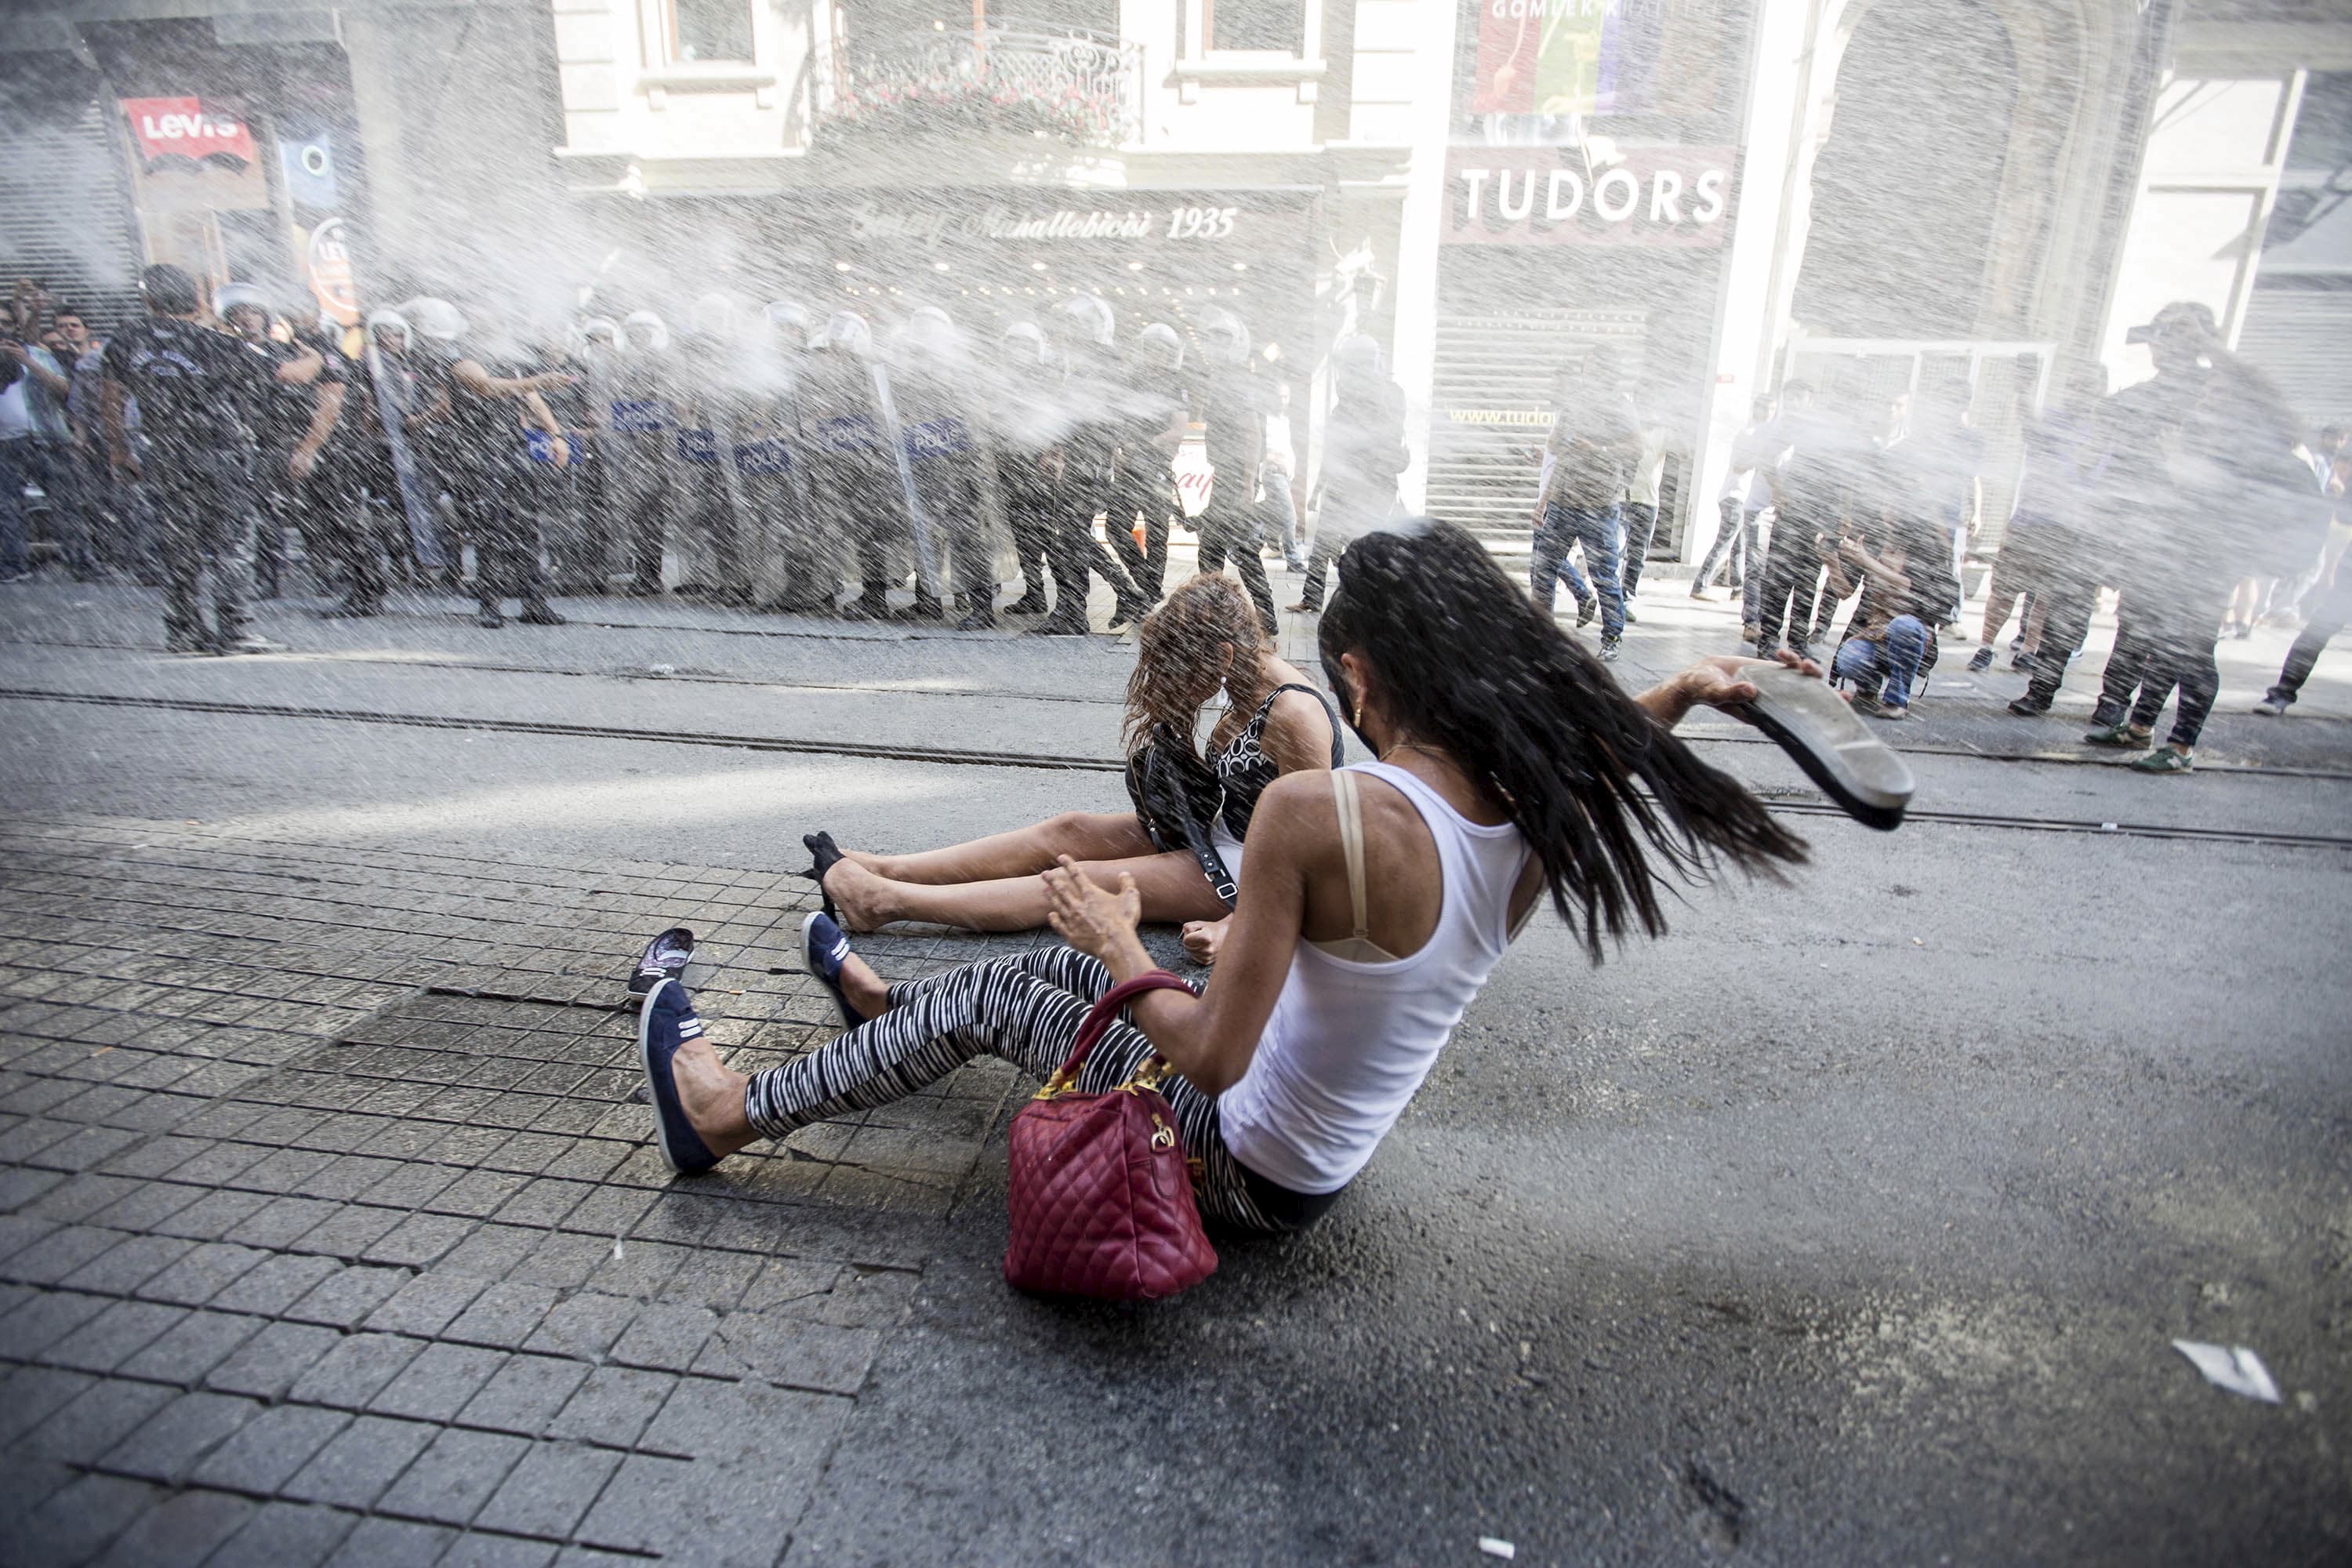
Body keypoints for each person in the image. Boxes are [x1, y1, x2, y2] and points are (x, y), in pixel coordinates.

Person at [637, 520, 1810, 1234]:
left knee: (1020, 987)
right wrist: (1686, 694)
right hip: (1320, 1166)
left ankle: (726, 1114)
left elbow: (1210, 1058)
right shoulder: (1547, 807)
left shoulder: (1317, 810)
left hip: (1235, 1166)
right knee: (1039, 975)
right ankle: (888, 1013)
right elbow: (1605, 740)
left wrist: (1120, 939)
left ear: (1357, 672)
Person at [808, 574, 1341, 951]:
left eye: (1176, 668)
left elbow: (1320, 858)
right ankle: (887, 866)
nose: (1166, 683)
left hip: (1249, 873)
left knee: (1074, 882)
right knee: (1067, 829)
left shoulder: (1294, 716)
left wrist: (1236, 929)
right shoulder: (1247, 679)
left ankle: (883, 901)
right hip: (1219, 833)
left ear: (1224, 655)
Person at [2080, 302, 2310, 773]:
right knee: (2166, 643)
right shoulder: (2207, 424)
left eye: (2216, 394)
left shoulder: (2250, 427)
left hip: (2210, 558)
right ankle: (2141, 727)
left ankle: (2182, 747)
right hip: (2177, 550)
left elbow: (2212, 487)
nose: (2207, 398)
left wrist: (2206, 344)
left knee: (2193, 650)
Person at [101, 264, 321, 653]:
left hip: (165, 453)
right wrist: (316, 360)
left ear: (148, 299)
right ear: (197, 299)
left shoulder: (125, 341)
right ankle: (235, 629)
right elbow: (290, 375)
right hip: (218, 453)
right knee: (231, 542)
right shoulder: (213, 342)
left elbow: (110, 398)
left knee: (178, 543)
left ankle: (184, 628)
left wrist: (120, 450)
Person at [405, 297, 572, 629]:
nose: (495, 323)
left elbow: (530, 399)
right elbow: (484, 387)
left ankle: (534, 602)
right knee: (490, 529)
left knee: (526, 528)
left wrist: (556, 434)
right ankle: (490, 604)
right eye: (487, 319)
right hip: (475, 452)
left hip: (512, 448)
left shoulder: (507, 357)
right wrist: (535, 381)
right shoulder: (455, 355)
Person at [216, 285, 347, 601]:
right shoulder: (225, 354)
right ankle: (266, 576)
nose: (247, 320)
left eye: (253, 313)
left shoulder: (288, 354)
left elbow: (326, 402)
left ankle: (326, 571)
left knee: (315, 511)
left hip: (292, 440)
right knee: (260, 514)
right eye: (239, 314)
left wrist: (307, 448)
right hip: (252, 443)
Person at [1034, 295, 1149, 636]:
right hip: (1085, 461)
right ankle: (1096, 603)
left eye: (1075, 324)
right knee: (1071, 538)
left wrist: (1062, 447)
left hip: (1089, 464)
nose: (1068, 330)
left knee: (1069, 538)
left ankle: (1079, 609)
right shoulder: (1087, 360)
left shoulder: (1100, 361)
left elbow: (1091, 415)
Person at [1530, 350, 1639, 659]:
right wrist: (1543, 501)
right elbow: (1558, 450)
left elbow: (1637, 448)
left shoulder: (1621, 407)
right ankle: (1542, 636)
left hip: (1599, 504)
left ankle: (1612, 637)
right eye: (1586, 370)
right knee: (1544, 569)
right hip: (1564, 501)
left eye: (1594, 370)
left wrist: (1599, 448)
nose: (1588, 376)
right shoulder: (1574, 405)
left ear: (1608, 374)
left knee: (1604, 575)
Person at [1292, 334, 1407, 614]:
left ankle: (1374, 600)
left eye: (1353, 366)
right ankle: (1314, 598)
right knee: (1325, 544)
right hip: (1346, 485)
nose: (1348, 373)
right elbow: (1335, 448)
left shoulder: (1388, 394)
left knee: (1368, 544)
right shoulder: (1347, 401)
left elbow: (1387, 437)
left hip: (1373, 486)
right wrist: (1321, 487)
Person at [1189, 312, 1278, 636]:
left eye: (1223, 339)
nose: (1215, 345)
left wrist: (1246, 481)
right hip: (1227, 477)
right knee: (1229, 547)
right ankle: (1227, 611)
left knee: (1226, 547)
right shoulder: (1223, 377)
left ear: (1238, 343)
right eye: (1212, 338)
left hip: (1235, 479)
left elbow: (1251, 432)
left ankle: (1217, 612)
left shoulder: (1236, 380)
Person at [1823, 504, 1943, 720]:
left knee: (1903, 626)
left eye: (1894, 506)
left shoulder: (1925, 545)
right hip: (1874, 631)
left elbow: (1912, 586)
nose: (1888, 511)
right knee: (1849, 660)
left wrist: (1868, 563)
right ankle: (1868, 686)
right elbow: (1843, 591)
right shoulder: (1873, 539)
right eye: (1886, 505)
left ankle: (1897, 698)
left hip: (1911, 632)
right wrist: (1831, 562)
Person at [1105, 321, 1188, 606]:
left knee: (1157, 533)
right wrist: (1117, 448)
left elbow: (1179, 430)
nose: (1156, 354)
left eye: (1162, 350)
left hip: (1156, 470)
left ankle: (1151, 590)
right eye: (1151, 348)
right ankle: (1145, 581)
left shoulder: (1175, 383)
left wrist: (1143, 447)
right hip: (1129, 468)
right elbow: (1118, 419)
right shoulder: (1131, 379)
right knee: (1115, 527)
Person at [985, 321, 1062, 620]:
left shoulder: (1044, 377)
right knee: (1021, 532)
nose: (1020, 351)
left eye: (1026, 345)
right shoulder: (1001, 377)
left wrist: (1051, 452)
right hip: (1010, 463)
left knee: (1044, 533)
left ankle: (1058, 596)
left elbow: (1054, 417)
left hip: (1036, 464)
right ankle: (1034, 590)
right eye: (1015, 344)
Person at [1618, 394, 1678, 618]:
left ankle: (1627, 599)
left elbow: (1684, 452)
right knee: (1615, 548)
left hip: (1648, 501)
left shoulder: (1663, 432)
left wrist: (1675, 424)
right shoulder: (1627, 429)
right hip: (1623, 498)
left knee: (1637, 555)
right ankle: (1611, 597)